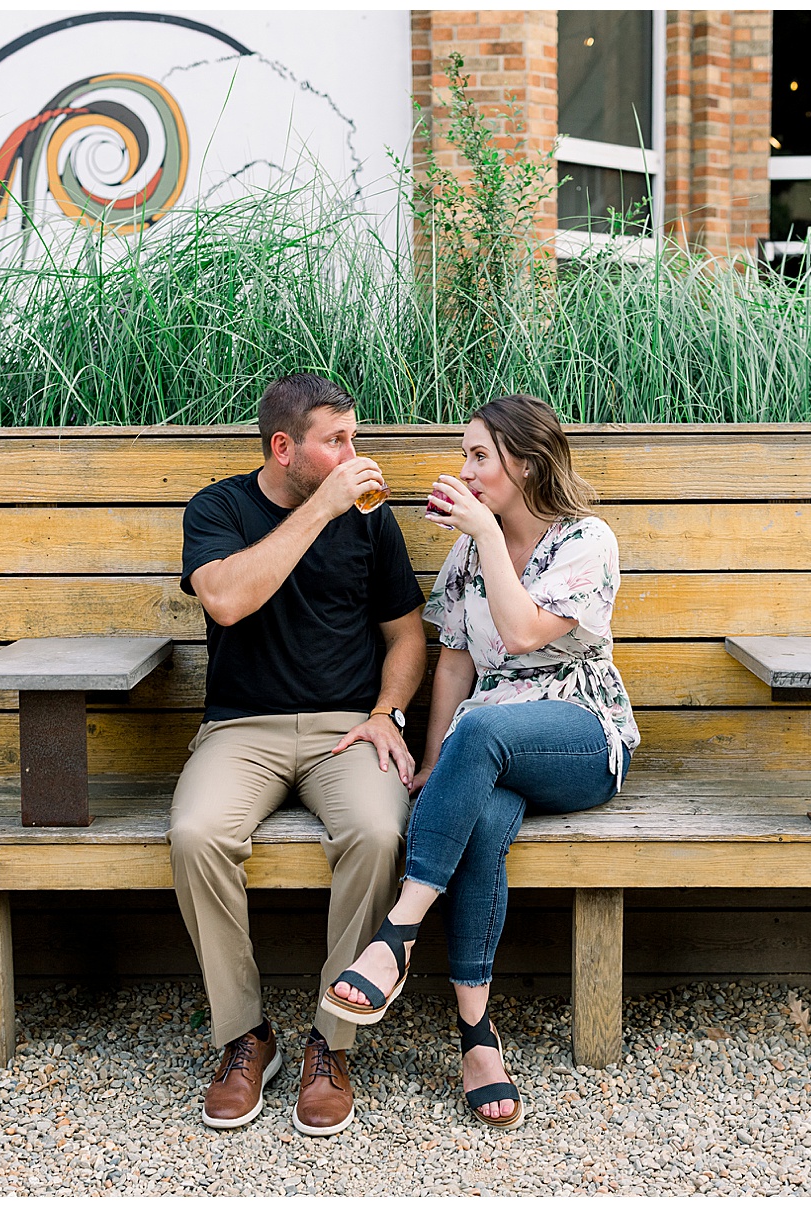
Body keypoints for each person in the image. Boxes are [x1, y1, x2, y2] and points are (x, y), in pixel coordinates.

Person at [320, 393, 639, 1130]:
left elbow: (524, 634)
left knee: (485, 731)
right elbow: (457, 667)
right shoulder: (468, 550)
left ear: (524, 465)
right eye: (465, 455)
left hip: (581, 737)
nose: (464, 469)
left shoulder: (586, 541)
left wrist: (486, 536)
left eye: (479, 457)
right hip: (486, 746)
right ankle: (477, 1036)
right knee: (483, 817)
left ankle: (397, 933)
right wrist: (435, 764)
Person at [171, 373, 426, 1137]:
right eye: (336, 440)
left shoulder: (373, 522)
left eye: (355, 437)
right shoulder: (218, 508)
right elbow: (226, 599)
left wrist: (387, 713)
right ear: (284, 448)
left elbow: (407, 633)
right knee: (195, 834)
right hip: (240, 728)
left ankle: (331, 1042)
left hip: (348, 726)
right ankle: (244, 1034)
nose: (355, 454)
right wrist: (322, 506)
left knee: (379, 834)